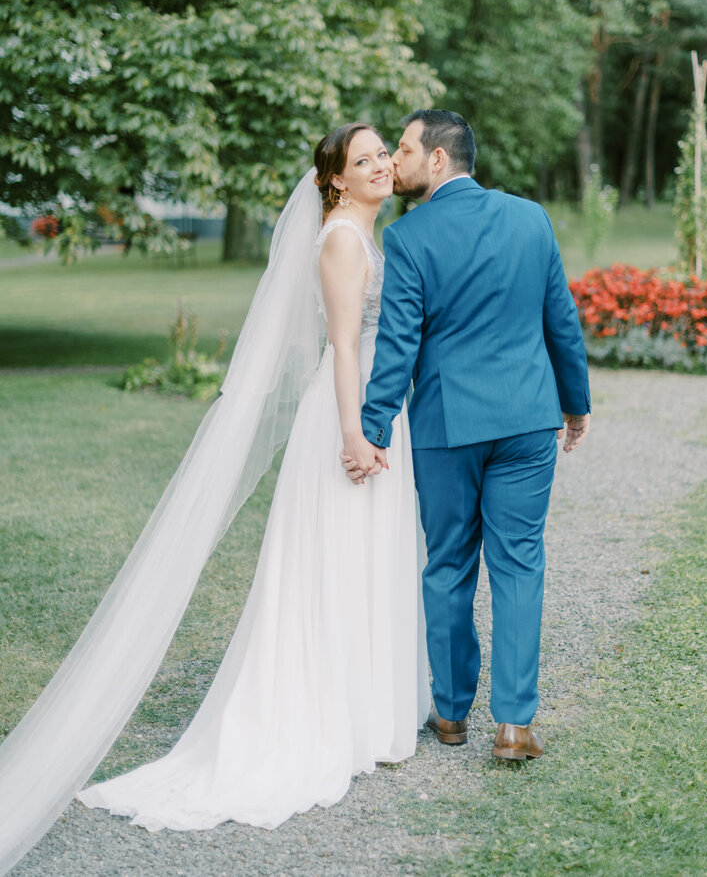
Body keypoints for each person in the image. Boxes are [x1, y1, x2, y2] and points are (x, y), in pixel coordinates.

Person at [0, 124, 428, 874]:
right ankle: (322, 718)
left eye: (380, 155)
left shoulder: (368, 235)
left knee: (367, 563)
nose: (381, 166)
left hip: (376, 410)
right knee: (332, 568)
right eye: (362, 161)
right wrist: (358, 431)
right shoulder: (338, 242)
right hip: (349, 415)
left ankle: (365, 714)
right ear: (334, 181)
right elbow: (346, 345)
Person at [345, 109, 591, 761]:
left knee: (449, 563)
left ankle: (451, 714)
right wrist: (576, 406)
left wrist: (370, 428)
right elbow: (561, 322)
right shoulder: (531, 219)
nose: (392, 161)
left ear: (438, 161)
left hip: (447, 427)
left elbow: (398, 347)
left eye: (402, 149)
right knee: (519, 563)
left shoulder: (409, 239)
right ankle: (513, 724)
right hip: (527, 419)